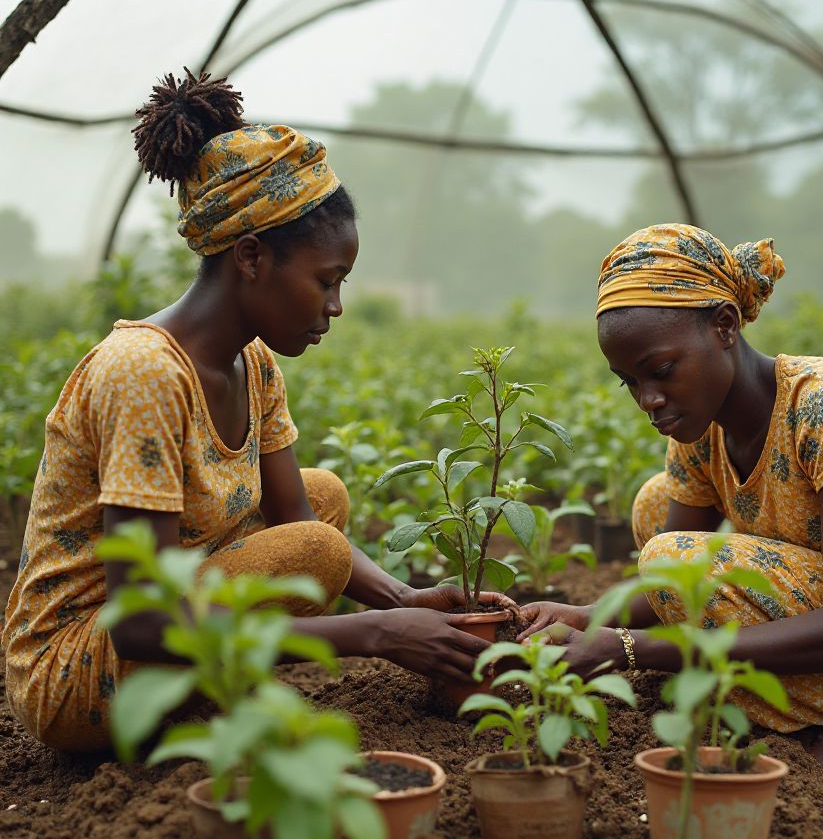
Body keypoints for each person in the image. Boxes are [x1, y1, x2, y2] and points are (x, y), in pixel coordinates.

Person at [2, 71, 507, 751]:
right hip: (80, 667)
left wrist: (403, 601)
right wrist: (372, 635)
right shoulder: (145, 372)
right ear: (250, 256)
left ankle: (215, 685)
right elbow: (140, 622)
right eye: (325, 281)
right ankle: (189, 709)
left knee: (321, 504)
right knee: (316, 550)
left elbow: (298, 515)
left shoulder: (254, 361)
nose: (335, 307)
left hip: (166, 617)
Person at [518, 223, 823, 769]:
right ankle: (822, 710)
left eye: (660, 371)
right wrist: (589, 615)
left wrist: (634, 649)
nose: (649, 399)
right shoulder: (700, 426)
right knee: (658, 510)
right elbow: (667, 591)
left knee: (673, 563)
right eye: (629, 382)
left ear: (725, 327)